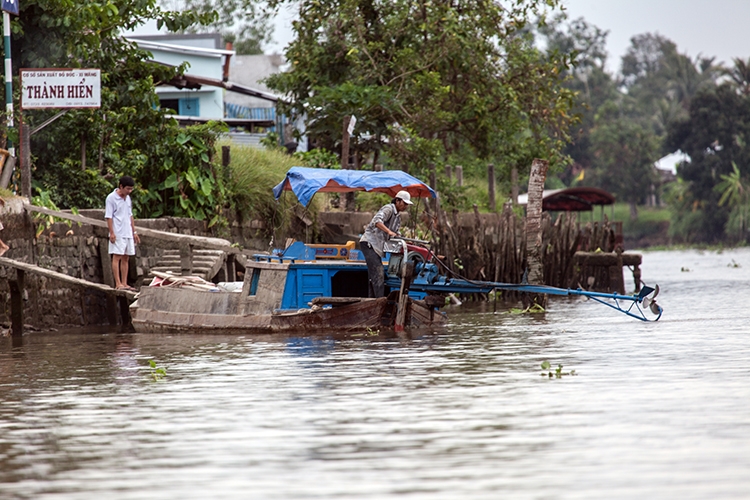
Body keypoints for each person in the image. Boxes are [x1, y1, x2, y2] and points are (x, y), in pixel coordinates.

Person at [359, 190, 413, 297]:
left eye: (407, 204)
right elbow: (377, 221)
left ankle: (372, 300)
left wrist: (405, 241)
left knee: (373, 276)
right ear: (397, 201)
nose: (406, 206)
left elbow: (396, 233)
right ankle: (380, 301)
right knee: (378, 273)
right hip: (369, 243)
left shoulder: (397, 217)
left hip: (377, 246)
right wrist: (388, 231)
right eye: (404, 203)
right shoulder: (388, 209)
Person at [105, 176, 140, 291]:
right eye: (128, 189)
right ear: (121, 187)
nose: (129, 192)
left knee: (126, 257)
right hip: (118, 231)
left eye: (131, 189)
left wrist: (134, 231)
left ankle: (124, 283)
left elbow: (130, 215)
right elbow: (109, 216)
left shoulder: (128, 198)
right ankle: (118, 283)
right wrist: (111, 232)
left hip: (127, 231)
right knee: (117, 256)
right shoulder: (111, 198)